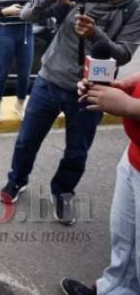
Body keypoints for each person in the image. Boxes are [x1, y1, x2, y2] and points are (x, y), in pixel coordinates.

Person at [0, 0, 140, 226]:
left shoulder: (133, 10)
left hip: (92, 90)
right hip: (49, 81)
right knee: (27, 141)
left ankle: (62, 192)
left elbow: (124, 53)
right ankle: (16, 181)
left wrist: (95, 33)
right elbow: (28, 15)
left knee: (77, 151)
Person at [60, 73, 140, 294]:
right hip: (134, 156)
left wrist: (131, 105)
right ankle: (113, 288)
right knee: (125, 240)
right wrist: (129, 85)